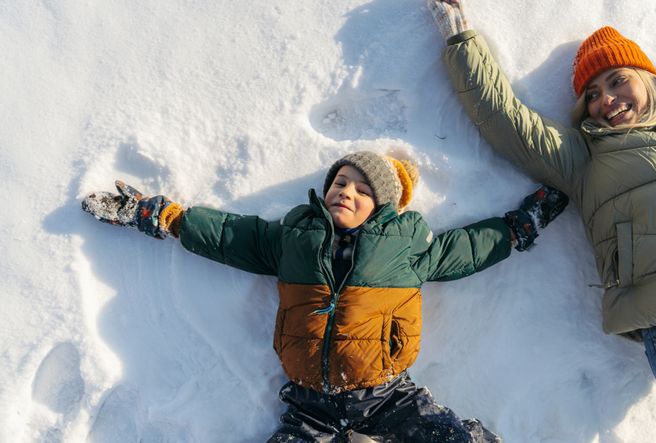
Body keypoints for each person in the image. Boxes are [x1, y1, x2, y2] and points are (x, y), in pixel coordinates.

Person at [428, 0, 656, 441]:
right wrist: (460, 40)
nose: (606, 99)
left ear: (647, 78)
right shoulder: (585, 159)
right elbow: (505, 119)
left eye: (616, 80)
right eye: (592, 95)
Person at [81, 149, 568, 442]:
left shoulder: (407, 247)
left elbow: (468, 249)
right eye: (340, 182)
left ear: (382, 207)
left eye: (361, 190)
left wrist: (521, 225)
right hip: (309, 404)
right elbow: (231, 235)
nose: (346, 192)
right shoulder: (294, 238)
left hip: (386, 395)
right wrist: (166, 217)